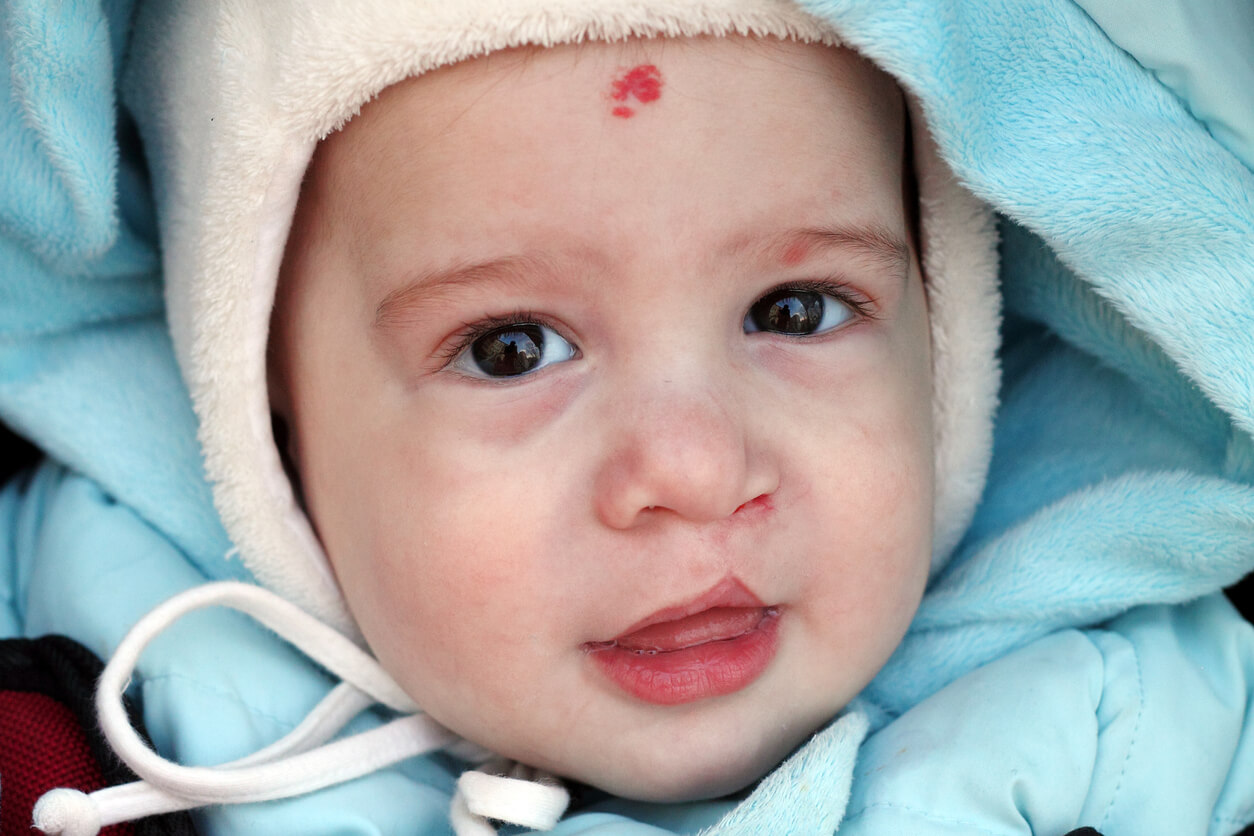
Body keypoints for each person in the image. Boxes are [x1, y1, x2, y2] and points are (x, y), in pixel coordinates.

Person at [2, 1, 1252, 834]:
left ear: (946, 323)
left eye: (798, 308)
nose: (697, 470)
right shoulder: (70, 699)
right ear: (265, 400)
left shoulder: (1142, 733)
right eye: (511, 348)